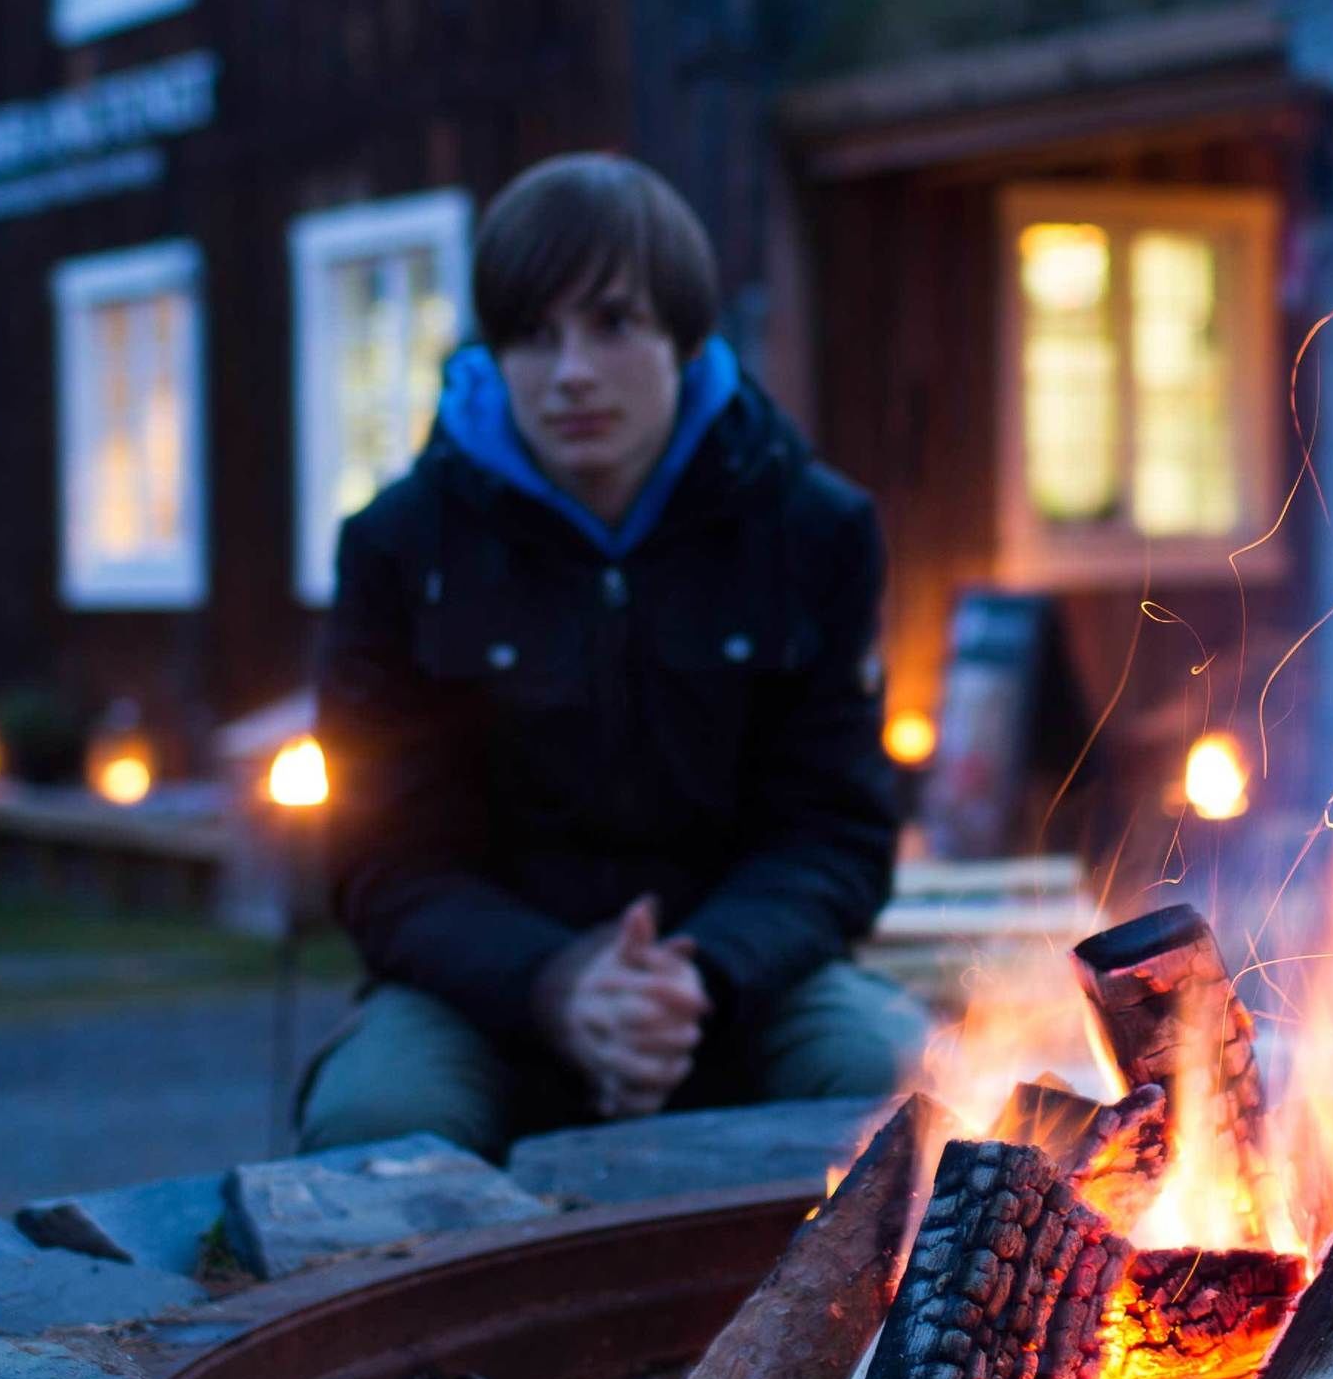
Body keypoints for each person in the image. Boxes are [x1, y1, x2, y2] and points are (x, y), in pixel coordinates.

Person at [299, 153, 928, 1155]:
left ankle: (879, 1319)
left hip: (742, 979)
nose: (572, 372)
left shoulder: (812, 530)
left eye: (613, 322)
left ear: (684, 334)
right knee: (374, 1121)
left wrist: (697, 974)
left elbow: (838, 830)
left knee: (895, 1079)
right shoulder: (402, 546)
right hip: (487, 994)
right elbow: (382, 857)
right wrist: (555, 983)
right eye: (533, 336)